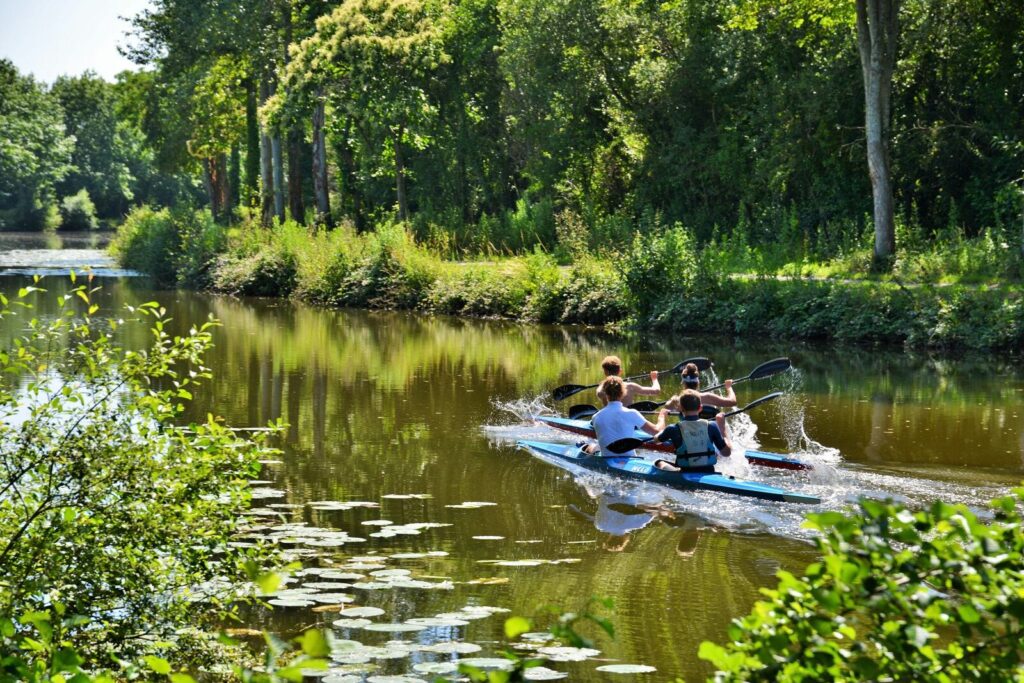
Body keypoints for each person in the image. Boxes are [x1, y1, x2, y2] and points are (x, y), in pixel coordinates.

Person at [652, 389, 732, 473]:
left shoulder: (673, 428)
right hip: (708, 471)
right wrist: (722, 429)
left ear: (681, 408)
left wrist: (662, 419)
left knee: (658, 462)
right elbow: (726, 453)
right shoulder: (712, 426)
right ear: (700, 408)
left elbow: (656, 440)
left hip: (683, 472)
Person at [586, 376, 667, 457]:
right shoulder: (632, 413)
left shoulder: (596, 417)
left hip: (606, 459)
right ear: (623, 393)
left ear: (606, 394)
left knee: (592, 446)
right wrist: (662, 416)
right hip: (629, 458)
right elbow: (657, 431)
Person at [595, 355, 660, 407]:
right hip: (627, 421)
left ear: (605, 372)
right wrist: (654, 379)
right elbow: (656, 391)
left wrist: (603, 383)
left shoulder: (602, 388)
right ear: (620, 371)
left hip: (610, 421)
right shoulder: (630, 386)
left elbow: (599, 393)